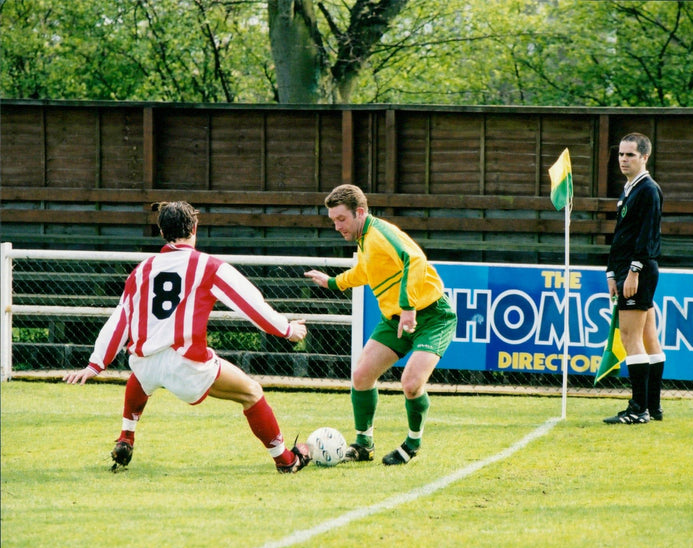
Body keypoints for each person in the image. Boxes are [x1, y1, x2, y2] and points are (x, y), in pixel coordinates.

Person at [63, 201, 312, 473]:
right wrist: (287, 330)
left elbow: (120, 319)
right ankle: (287, 461)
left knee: (141, 376)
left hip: (145, 361)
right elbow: (251, 305)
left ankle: (126, 436)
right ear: (195, 228)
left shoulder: (141, 270)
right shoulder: (209, 266)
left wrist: (95, 363)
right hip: (187, 365)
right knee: (251, 393)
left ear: (161, 232)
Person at [304, 184, 457, 465]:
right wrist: (333, 282)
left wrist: (409, 307)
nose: (337, 227)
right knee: (361, 375)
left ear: (359, 212)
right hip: (396, 318)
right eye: (333, 221)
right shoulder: (364, 240)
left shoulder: (380, 233)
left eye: (341, 219)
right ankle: (364, 445)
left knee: (411, 384)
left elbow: (415, 259)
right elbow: (365, 271)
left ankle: (412, 443)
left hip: (433, 316)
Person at [603, 133, 666, 424]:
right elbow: (621, 237)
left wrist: (633, 271)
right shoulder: (630, 189)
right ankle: (653, 407)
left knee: (630, 336)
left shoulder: (648, 190)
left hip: (638, 270)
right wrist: (611, 272)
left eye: (630, 155)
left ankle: (637, 409)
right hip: (629, 268)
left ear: (644, 157)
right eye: (620, 154)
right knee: (648, 337)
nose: (623, 159)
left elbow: (646, 235)